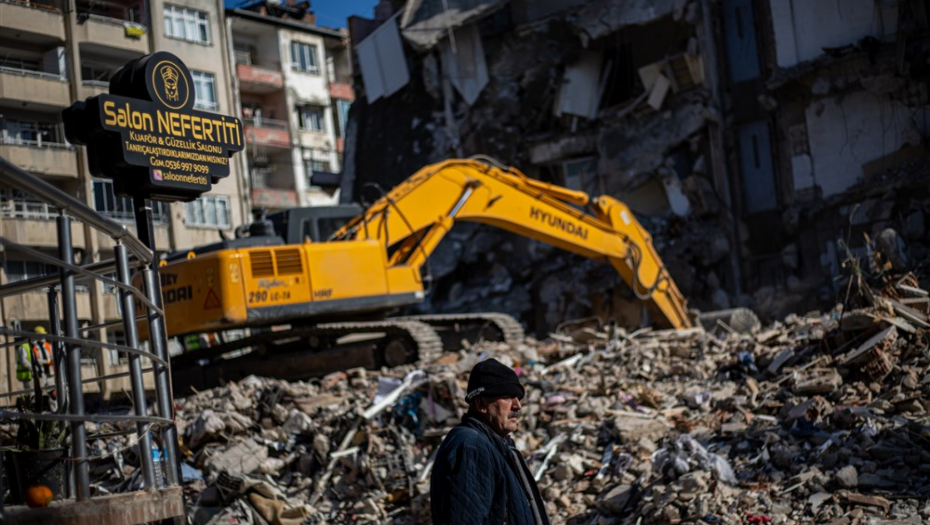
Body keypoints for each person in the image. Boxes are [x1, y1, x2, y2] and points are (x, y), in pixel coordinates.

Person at [430, 358, 550, 525]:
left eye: (518, 398)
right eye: (508, 398)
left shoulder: (497, 445)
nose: (518, 406)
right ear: (481, 404)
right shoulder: (471, 447)